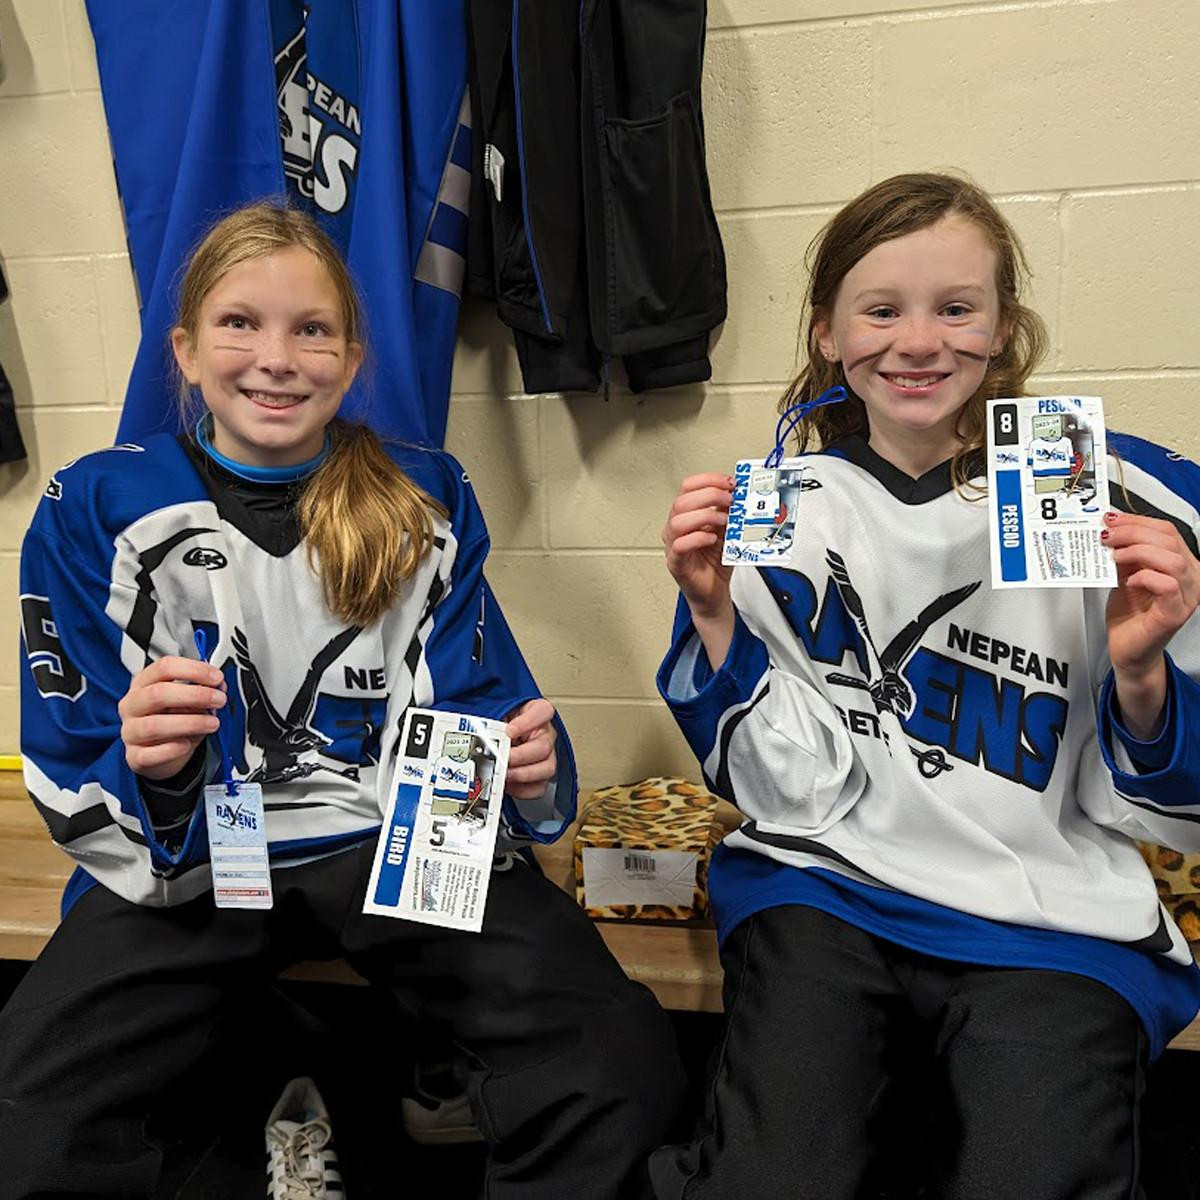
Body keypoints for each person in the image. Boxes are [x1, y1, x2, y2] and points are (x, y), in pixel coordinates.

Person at [0, 201, 685, 1197]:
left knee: (613, 1057)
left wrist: (526, 772)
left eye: (311, 329)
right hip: (202, 852)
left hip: (393, 837)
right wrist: (144, 763)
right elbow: (67, 747)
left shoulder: (423, 493)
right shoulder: (94, 503)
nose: (276, 357)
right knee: (30, 1114)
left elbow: (485, 703)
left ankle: (374, 1087)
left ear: (352, 358)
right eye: (240, 323)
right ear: (185, 352)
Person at [654, 173, 1200, 1199]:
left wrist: (1140, 671)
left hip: (1052, 919)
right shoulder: (778, 507)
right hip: (826, 886)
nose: (919, 341)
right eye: (882, 309)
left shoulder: (1115, 494)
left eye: (957, 309)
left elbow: (1185, 802)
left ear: (1002, 330)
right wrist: (712, 612)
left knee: (1034, 1172)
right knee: (773, 1175)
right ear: (826, 333)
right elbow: (784, 795)